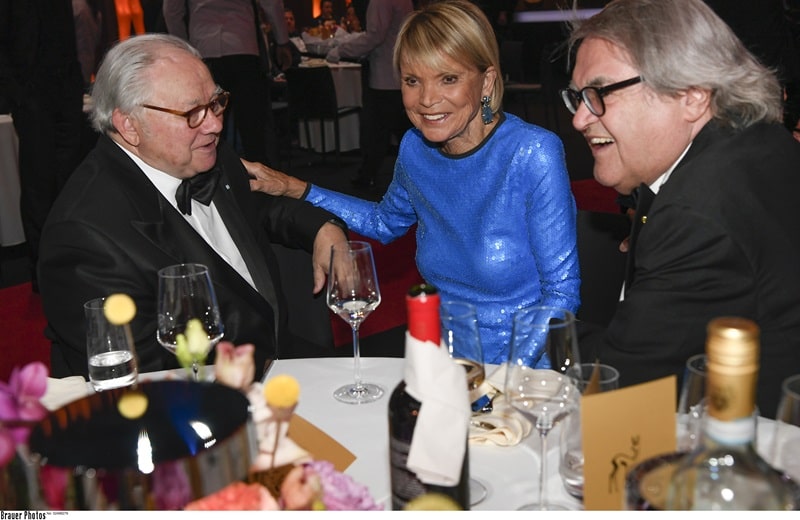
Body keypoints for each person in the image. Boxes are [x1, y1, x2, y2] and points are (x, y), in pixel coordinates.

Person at [247, 0, 581, 364]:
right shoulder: (415, 149)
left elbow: (561, 295)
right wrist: (295, 188)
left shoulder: (532, 152)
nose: (426, 100)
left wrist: (504, 383)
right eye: (412, 81)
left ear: (485, 82)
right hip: (444, 362)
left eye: (448, 79)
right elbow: (384, 223)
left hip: (525, 371)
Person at [38, 34, 348, 380]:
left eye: (215, 103)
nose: (215, 125)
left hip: (279, 357)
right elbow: (144, 380)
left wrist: (323, 226)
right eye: (191, 112)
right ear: (129, 125)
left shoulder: (200, 155)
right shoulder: (84, 237)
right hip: (202, 399)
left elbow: (259, 206)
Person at [563, 0, 800, 419]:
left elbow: (617, 382)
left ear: (690, 96)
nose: (581, 119)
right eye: (579, 97)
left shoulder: (696, 212)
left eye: (599, 94)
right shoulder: (760, 142)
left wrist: (528, 330)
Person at [0, 0, 87, 293]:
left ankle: (73, 260)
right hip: (32, 96)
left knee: (70, 182)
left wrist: (76, 83)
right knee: (39, 185)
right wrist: (18, 96)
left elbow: (67, 38)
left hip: (66, 91)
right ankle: (42, 271)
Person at [162, 0, 294, 167]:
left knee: (207, 124)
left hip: (204, 50)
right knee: (253, 128)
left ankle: (213, 181)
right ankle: (261, 183)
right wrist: (282, 41)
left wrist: (185, 49)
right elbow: (271, 4)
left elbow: (172, 11)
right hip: (243, 49)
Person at [325, 0, 414, 190]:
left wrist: (340, 50)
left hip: (385, 76)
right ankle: (410, 178)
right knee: (402, 132)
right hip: (400, 71)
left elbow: (375, 36)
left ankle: (369, 176)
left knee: (377, 132)